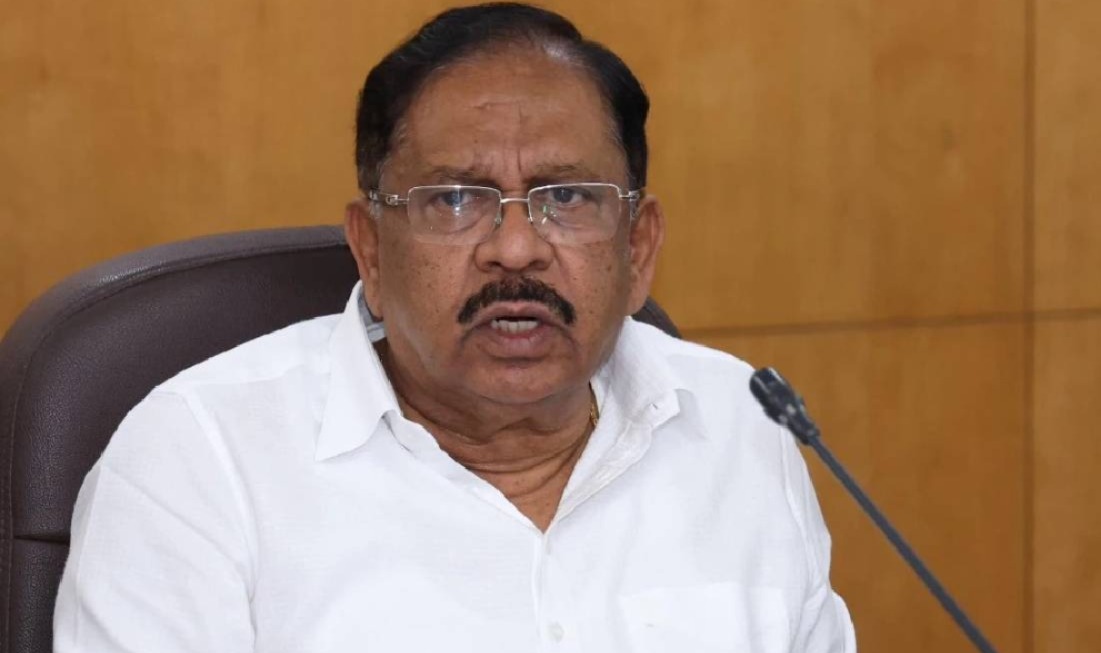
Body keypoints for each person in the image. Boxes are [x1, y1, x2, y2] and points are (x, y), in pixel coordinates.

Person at [53, 3, 855, 651]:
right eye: (456, 199)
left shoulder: (741, 424)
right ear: (370, 248)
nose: (516, 248)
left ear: (637, 248)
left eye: (566, 197)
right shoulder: (201, 460)